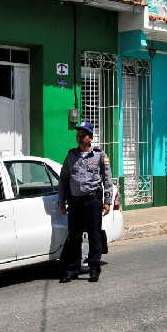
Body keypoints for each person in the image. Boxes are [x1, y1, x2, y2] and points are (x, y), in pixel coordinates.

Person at [58, 121, 114, 283]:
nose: (79, 137)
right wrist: (61, 200)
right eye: (78, 135)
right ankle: (72, 269)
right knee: (74, 236)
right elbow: (63, 179)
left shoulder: (99, 156)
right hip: (75, 203)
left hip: (92, 201)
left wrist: (107, 201)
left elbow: (107, 179)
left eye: (82, 135)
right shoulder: (71, 156)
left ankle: (94, 268)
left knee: (94, 235)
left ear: (90, 138)